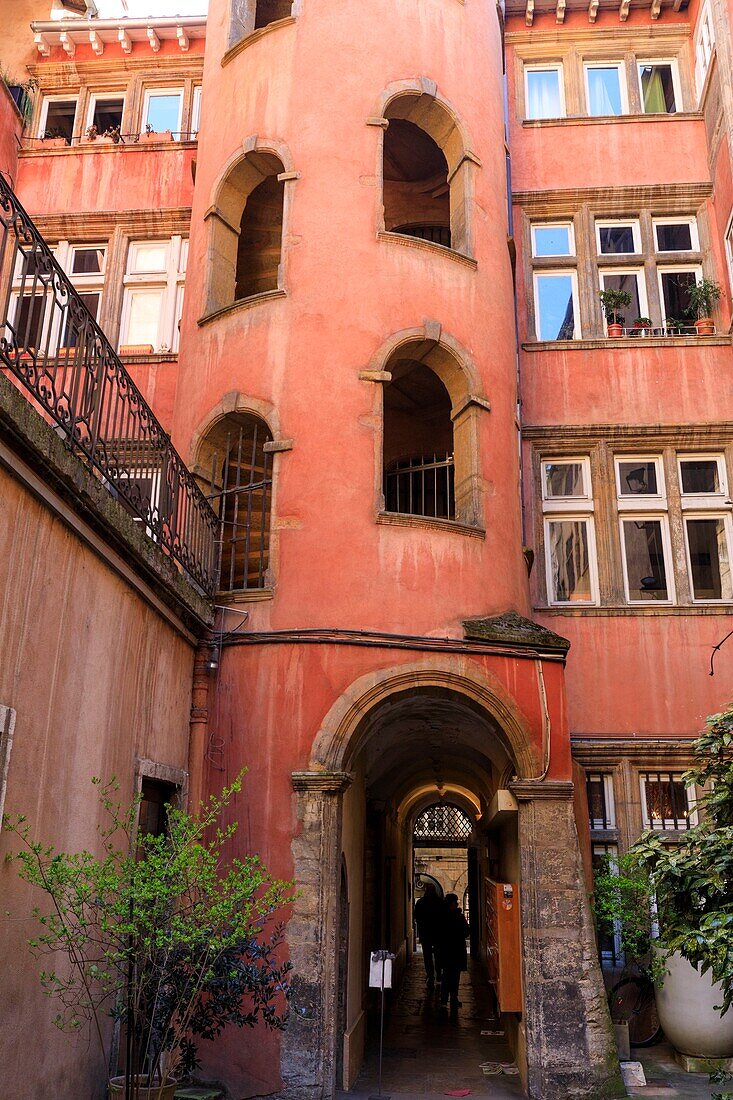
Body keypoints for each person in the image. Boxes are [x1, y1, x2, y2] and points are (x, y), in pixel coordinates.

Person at [439, 893, 469, 1016]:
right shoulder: (459, 917)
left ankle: (444, 999)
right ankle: (453, 998)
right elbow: (466, 932)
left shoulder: (441, 917)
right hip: (456, 950)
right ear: (452, 903)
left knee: (446, 975)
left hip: (445, 950)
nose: (457, 904)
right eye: (455, 902)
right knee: (454, 976)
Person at [413, 882, 443, 990]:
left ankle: (430, 975)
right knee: (439, 954)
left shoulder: (421, 903)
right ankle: (439, 973)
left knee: (427, 956)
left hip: (426, 934)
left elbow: (416, 916)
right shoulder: (440, 903)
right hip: (438, 933)